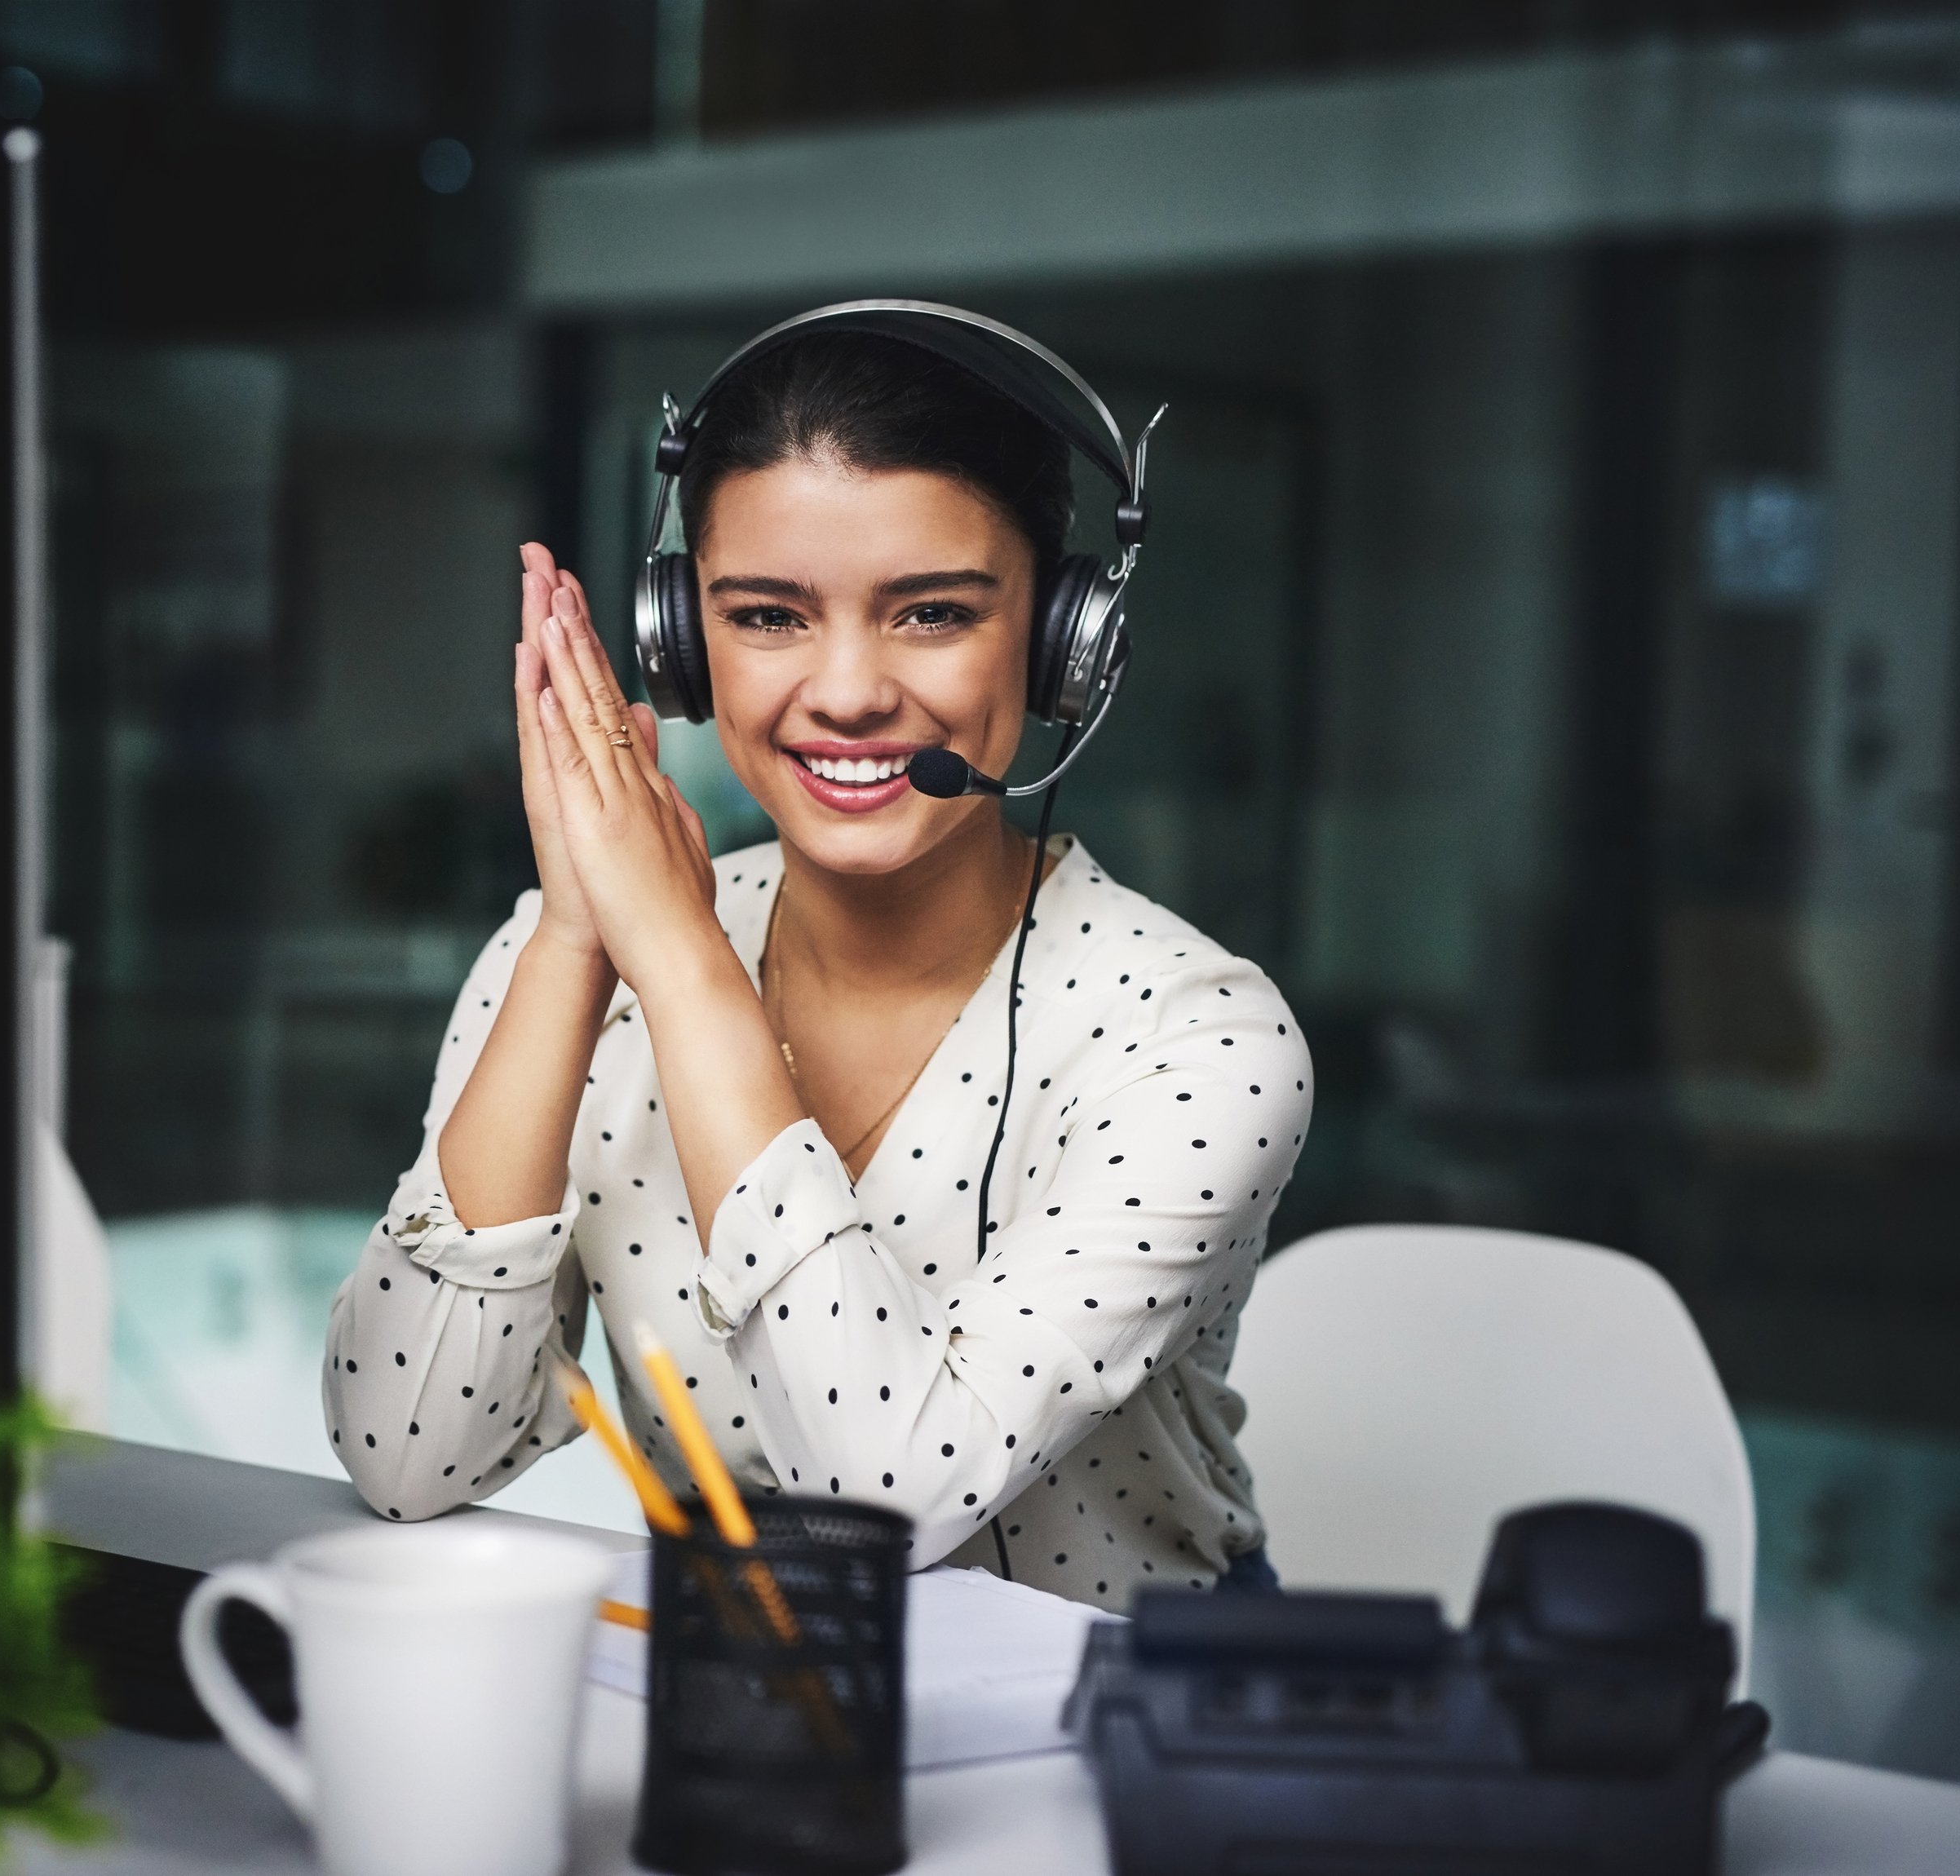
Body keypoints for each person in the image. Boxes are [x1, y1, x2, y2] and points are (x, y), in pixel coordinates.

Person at [322, 321, 1310, 1606]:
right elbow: (404, 1456)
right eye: (769, 616)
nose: (846, 692)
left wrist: (680, 972)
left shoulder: (1197, 1043)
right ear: (682, 644)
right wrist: (576, 941)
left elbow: (887, 1499)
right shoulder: (586, 955)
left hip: (1119, 1730)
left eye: (933, 612)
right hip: (741, 1715)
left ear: (1067, 642)